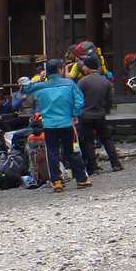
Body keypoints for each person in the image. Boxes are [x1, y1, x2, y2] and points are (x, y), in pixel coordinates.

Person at [23, 59, 89, 191]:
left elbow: (26, 88)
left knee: (52, 153)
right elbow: (80, 101)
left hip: (49, 125)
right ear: (60, 69)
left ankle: (56, 181)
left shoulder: (41, 86)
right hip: (67, 123)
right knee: (72, 151)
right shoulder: (69, 84)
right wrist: (74, 114)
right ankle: (81, 179)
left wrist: (39, 78)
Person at [77, 64, 123, 175]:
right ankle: (115, 163)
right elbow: (109, 100)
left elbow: (77, 98)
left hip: (85, 115)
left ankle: (92, 167)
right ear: (98, 68)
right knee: (106, 139)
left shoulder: (82, 82)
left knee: (88, 141)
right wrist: (105, 110)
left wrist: (78, 112)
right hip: (100, 114)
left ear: (87, 67)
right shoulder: (105, 81)